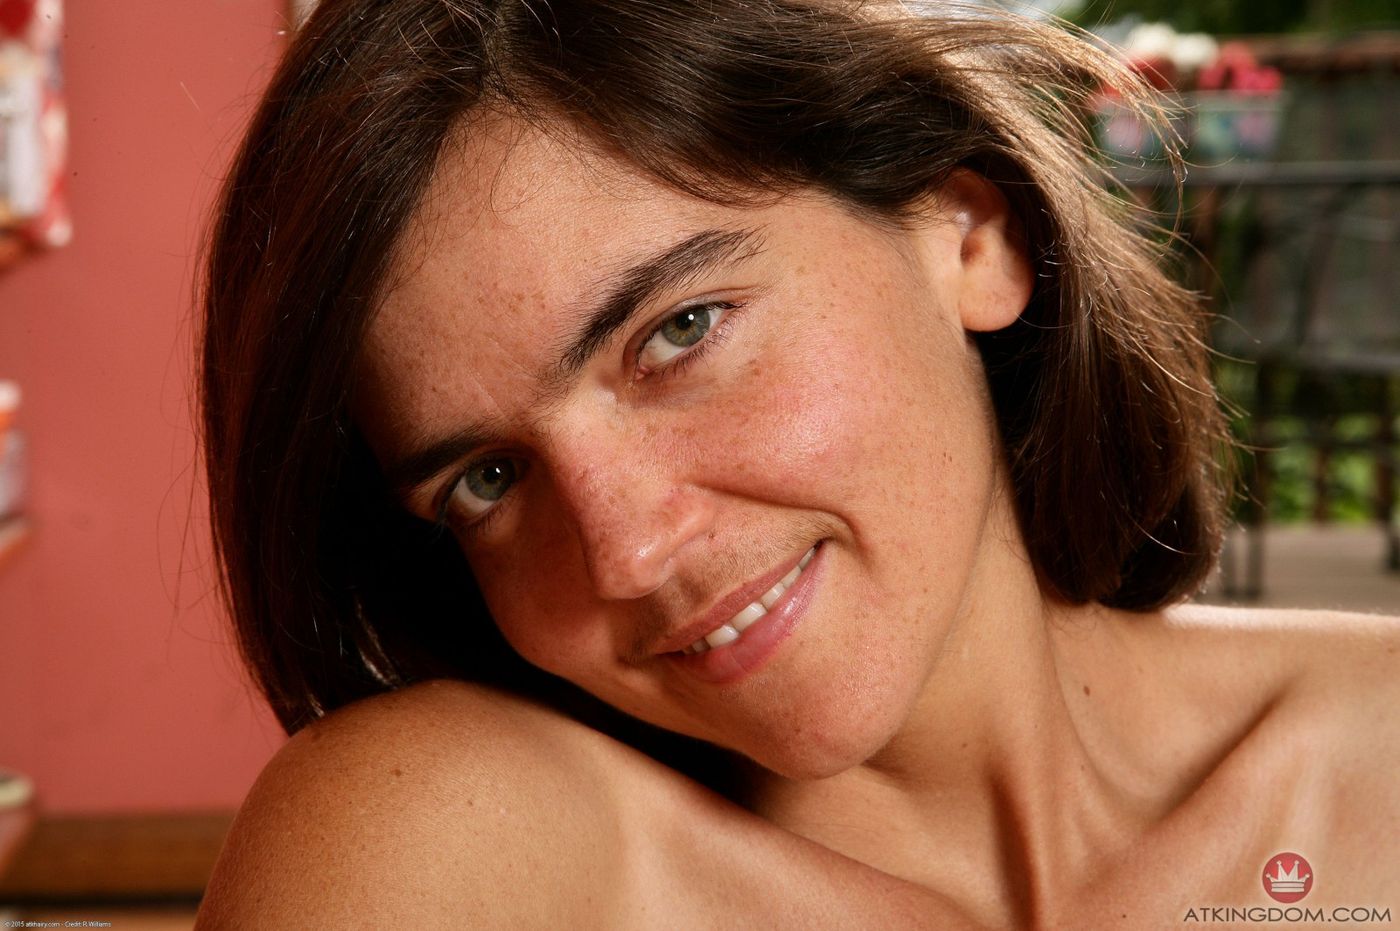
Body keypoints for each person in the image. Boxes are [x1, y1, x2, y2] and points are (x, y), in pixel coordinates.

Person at [193, 0, 1400, 927]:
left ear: (968, 235)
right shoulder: (453, 851)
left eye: (679, 330)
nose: (627, 553)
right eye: (487, 480)